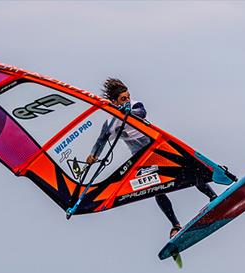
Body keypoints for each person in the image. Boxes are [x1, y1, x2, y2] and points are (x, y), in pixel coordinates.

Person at [87, 78, 233, 238]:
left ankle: (213, 198)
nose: (127, 100)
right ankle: (175, 226)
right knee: (156, 189)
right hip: (141, 159)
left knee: (191, 168)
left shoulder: (134, 105)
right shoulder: (110, 124)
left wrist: (127, 112)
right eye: (123, 99)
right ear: (114, 102)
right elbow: (101, 141)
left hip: (158, 150)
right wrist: (93, 156)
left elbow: (141, 112)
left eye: (128, 96)